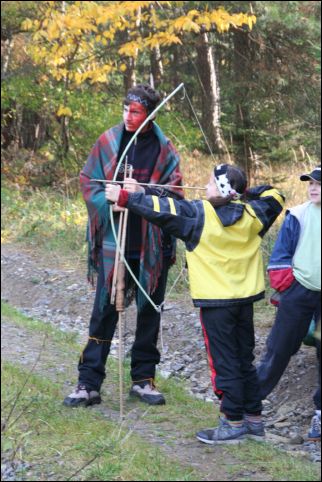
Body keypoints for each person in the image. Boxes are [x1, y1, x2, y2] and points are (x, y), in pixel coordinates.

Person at [105, 163, 285, 444]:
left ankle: (232, 422)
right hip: (244, 301)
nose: (206, 186)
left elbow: (161, 209)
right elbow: (275, 195)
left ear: (224, 190)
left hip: (216, 304)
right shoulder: (255, 213)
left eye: (212, 183)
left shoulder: (198, 215)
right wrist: (243, 192)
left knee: (224, 363)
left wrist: (125, 198)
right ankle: (253, 420)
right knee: (243, 360)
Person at [63, 83, 183, 408]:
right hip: (113, 244)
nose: (128, 116)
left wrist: (140, 195)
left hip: (151, 246)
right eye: (126, 110)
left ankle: (143, 380)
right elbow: (88, 182)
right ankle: (89, 383)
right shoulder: (109, 141)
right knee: (103, 312)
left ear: (150, 114)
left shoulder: (164, 150)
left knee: (149, 313)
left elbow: (175, 196)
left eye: (136, 111)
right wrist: (112, 202)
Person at [257, 165, 321, 442]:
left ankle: (319, 418)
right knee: (279, 349)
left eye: (318, 184)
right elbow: (280, 256)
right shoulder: (297, 215)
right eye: (310, 183)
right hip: (299, 294)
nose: (313, 187)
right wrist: (289, 287)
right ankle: (247, 407)